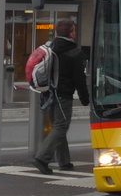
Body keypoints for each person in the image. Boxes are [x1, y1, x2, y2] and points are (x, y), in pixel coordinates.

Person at [32, 18, 89, 175]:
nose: (75, 32)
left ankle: (64, 161)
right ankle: (42, 158)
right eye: (74, 30)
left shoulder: (50, 47)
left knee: (58, 126)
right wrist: (85, 98)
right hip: (63, 95)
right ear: (71, 33)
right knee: (61, 126)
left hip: (47, 94)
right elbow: (79, 79)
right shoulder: (74, 52)